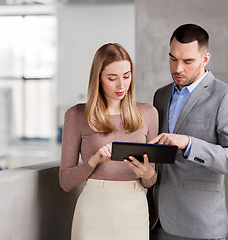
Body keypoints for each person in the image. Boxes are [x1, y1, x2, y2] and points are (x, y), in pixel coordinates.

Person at [148, 24, 228, 240]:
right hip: (157, 221)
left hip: (200, 225)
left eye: (188, 61)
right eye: (173, 58)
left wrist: (189, 143)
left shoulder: (227, 96)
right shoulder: (161, 95)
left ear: (205, 59)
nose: (178, 68)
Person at [59, 43, 158, 240]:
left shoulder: (148, 114)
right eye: (112, 78)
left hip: (133, 210)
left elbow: (151, 181)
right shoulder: (76, 115)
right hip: (94, 210)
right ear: (98, 79)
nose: (121, 85)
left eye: (126, 76)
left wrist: (148, 174)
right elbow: (65, 182)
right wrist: (93, 162)